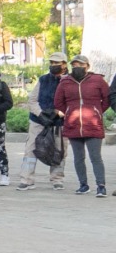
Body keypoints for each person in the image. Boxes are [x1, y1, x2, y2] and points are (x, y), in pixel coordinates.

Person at [55, 53, 109, 197]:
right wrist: (68, 112)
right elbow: (58, 101)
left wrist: (96, 111)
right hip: (73, 125)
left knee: (95, 157)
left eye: (80, 65)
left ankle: (101, 186)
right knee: (78, 158)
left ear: (87, 66)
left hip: (93, 124)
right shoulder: (65, 82)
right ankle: (83, 185)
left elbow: (107, 98)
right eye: (74, 65)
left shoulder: (98, 80)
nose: (77, 67)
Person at [17, 52, 67, 191]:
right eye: (51, 63)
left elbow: (70, 102)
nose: (54, 65)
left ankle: (57, 179)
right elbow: (32, 100)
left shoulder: (69, 81)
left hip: (59, 122)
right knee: (30, 149)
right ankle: (26, 179)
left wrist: (59, 114)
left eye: (57, 63)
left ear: (64, 64)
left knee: (60, 150)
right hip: (38, 120)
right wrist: (41, 114)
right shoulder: (43, 79)